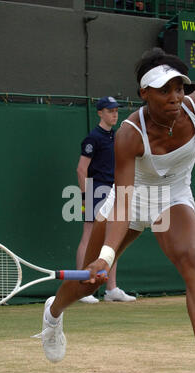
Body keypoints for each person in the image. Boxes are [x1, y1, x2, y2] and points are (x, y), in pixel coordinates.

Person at [36, 48, 195, 373]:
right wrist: (105, 258)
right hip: (132, 198)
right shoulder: (129, 134)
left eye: (179, 88)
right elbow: (122, 200)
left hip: (175, 196)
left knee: (192, 258)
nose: (174, 97)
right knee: (90, 283)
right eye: (164, 90)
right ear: (144, 94)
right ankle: (53, 314)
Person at [76, 96, 136, 303]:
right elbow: (81, 169)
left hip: (113, 190)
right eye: (110, 111)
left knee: (113, 239)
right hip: (95, 189)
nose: (114, 114)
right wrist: (85, 197)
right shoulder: (93, 138)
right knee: (89, 236)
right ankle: (82, 286)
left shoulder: (117, 137)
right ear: (100, 112)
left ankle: (111, 289)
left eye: (116, 110)